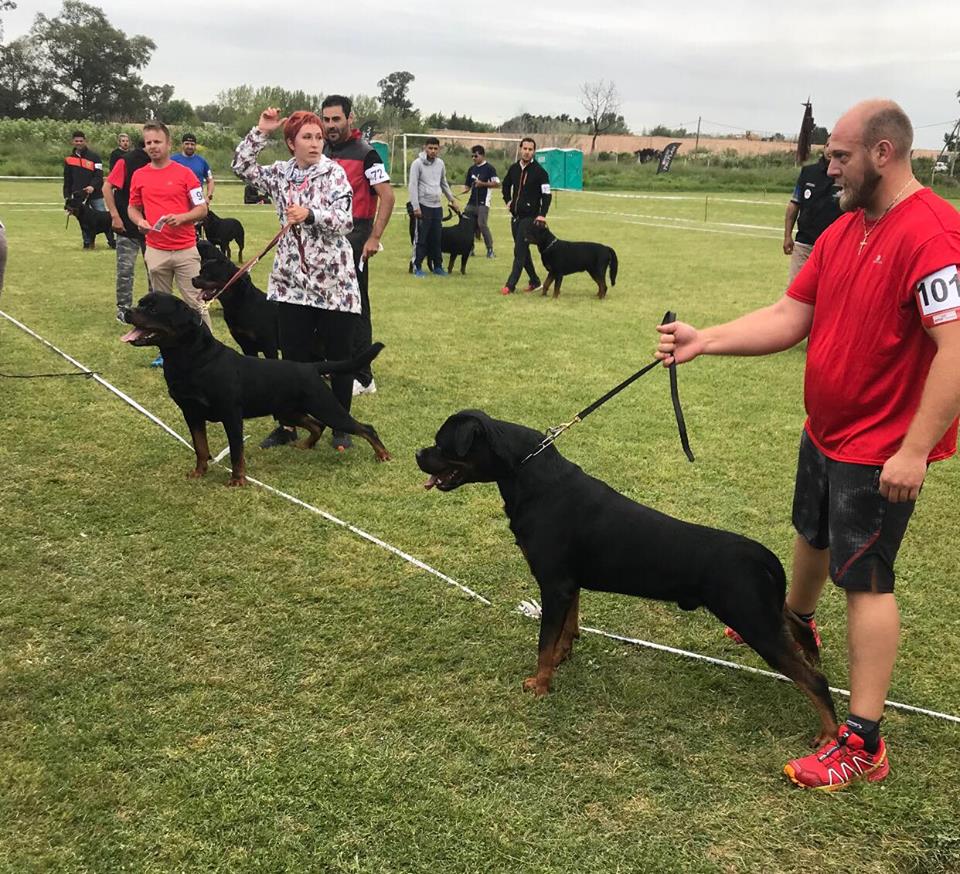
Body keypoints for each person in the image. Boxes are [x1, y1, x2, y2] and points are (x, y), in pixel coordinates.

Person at [655, 99, 960, 791]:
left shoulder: (934, 233)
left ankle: (863, 742)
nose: (829, 170)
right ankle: (796, 621)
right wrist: (707, 340)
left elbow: (955, 346)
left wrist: (914, 450)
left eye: (840, 157)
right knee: (812, 533)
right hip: (825, 431)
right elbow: (791, 314)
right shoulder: (843, 229)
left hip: (879, 450)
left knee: (867, 580)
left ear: (883, 153)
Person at [232, 107, 361, 452]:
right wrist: (261, 131)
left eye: (318, 137)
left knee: (338, 356)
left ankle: (341, 426)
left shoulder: (333, 173)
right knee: (291, 361)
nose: (316, 143)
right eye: (307, 137)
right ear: (291, 143)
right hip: (291, 283)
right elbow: (241, 166)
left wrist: (311, 214)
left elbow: (345, 220)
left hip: (335, 283)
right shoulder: (280, 174)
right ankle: (288, 424)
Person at [321, 94, 396, 398]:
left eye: (336, 119)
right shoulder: (323, 149)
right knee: (327, 304)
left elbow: (387, 197)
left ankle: (363, 377)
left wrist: (374, 237)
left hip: (356, 234)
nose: (331, 125)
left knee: (355, 305)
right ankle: (335, 365)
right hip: (325, 235)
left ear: (350, 118)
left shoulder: (367, 154)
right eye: (326, 119)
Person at [126, 122, 211, 367]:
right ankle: (165, 352)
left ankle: (207, 349)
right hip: (156, 250)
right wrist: (139, 221)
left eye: (157, 141)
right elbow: (132, 207)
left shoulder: (186, 174)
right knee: (158, 309)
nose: (153, 146)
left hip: (185, 250)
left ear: (168, 143)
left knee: (196, 304)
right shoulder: (140, 175)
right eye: (148, 142)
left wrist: (182, 218)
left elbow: (202, 209)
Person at [103, 138, 153, 323]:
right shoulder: (127, 161)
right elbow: (107, 187)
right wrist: (115, 216)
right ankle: (123, 308)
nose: (155, 147)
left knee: (155, 270)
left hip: (152, 228)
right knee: (125, 270)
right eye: (151, 143)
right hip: (127, 226)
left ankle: (153, 308)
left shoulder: (162, 162)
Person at [500, 137, 550, 295]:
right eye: (525, 148)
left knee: (519, 250)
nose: (527, 152)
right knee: (523, 250)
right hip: (515, 217)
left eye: (530, 149)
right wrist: (508, 201)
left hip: (530, 218)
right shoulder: (514, 168)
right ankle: (535, 281)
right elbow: (505, 185)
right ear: (520, 149)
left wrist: (542, 215)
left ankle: (510, 285)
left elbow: (546, 195)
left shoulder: (540, 172)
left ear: (534, 151)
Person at [783, 153, 842, 282]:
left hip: (835, 247)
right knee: (796, 287)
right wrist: (787, 235)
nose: (830, 150)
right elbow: (794, 203)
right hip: (805, 244)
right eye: (827, 145)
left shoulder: (846, 174)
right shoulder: (808, 172)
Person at [408, 137, 460, 277]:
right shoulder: (417, 164)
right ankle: (417, 266)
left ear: (439, 149)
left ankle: (438, 266)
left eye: (435, 148)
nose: (432, 151)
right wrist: (415, 206)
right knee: (421, 239)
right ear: (425, 148)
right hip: (423, 206)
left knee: (436, 238)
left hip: (437, 206)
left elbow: (443, 183)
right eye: (430, 148)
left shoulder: (440, 164)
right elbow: (412, 185)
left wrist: (452, 199)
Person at [63, 130, 114, 250]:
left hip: (95, 193)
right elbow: (67, 179)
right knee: (83, 221)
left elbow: (99, 174)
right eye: (76, 141)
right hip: (78, 196)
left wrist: (92, 186)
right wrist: (67, 195)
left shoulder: (95, 157)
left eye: (81, 141)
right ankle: (87, 243)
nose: (79, 143)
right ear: (72, 142)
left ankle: (112, 241)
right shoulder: (69, 159)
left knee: (106, 218)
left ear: (85, 141)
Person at [463, 145, 499, 258]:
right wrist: (465, 189)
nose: (473, 158)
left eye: (476, 156)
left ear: (482, 155)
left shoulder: (489, 168)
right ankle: (470, 249)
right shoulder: (471, 169)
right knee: (467, 225)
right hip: (471, 202)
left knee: (482, 224)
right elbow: (468, 185)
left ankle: (490, 250)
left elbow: (497, 184)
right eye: (472, 156)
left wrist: (482, 184)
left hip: (483, 202)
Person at [171, 133, 216, 203]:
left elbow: (210, 180)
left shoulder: (202, 161)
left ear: (195, 146)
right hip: (178, 201)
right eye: (187, 144)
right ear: (182, 144)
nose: (190, 146)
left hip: (197, 201)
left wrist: (208, 197)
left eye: (192, 144)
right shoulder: (172, 160)